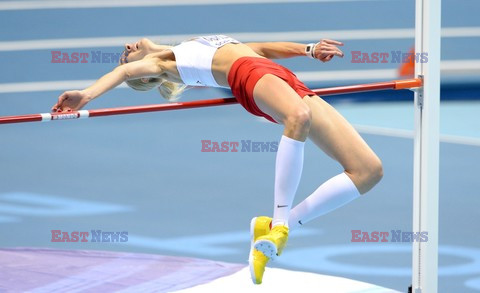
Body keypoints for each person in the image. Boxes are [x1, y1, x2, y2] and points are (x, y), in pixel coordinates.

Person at [52, 35, 383, 285]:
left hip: (278, 75)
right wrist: (87, 95)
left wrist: (308, 50)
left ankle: (276, 227)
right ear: (147, 77)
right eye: (126, 51)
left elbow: (263, 49)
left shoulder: (186, 47)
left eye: (126, 49)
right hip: (250, 76)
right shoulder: (162, 66)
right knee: (298, 116)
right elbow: (123, 72)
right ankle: (279, 224)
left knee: (367, 171)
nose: (128, 45)